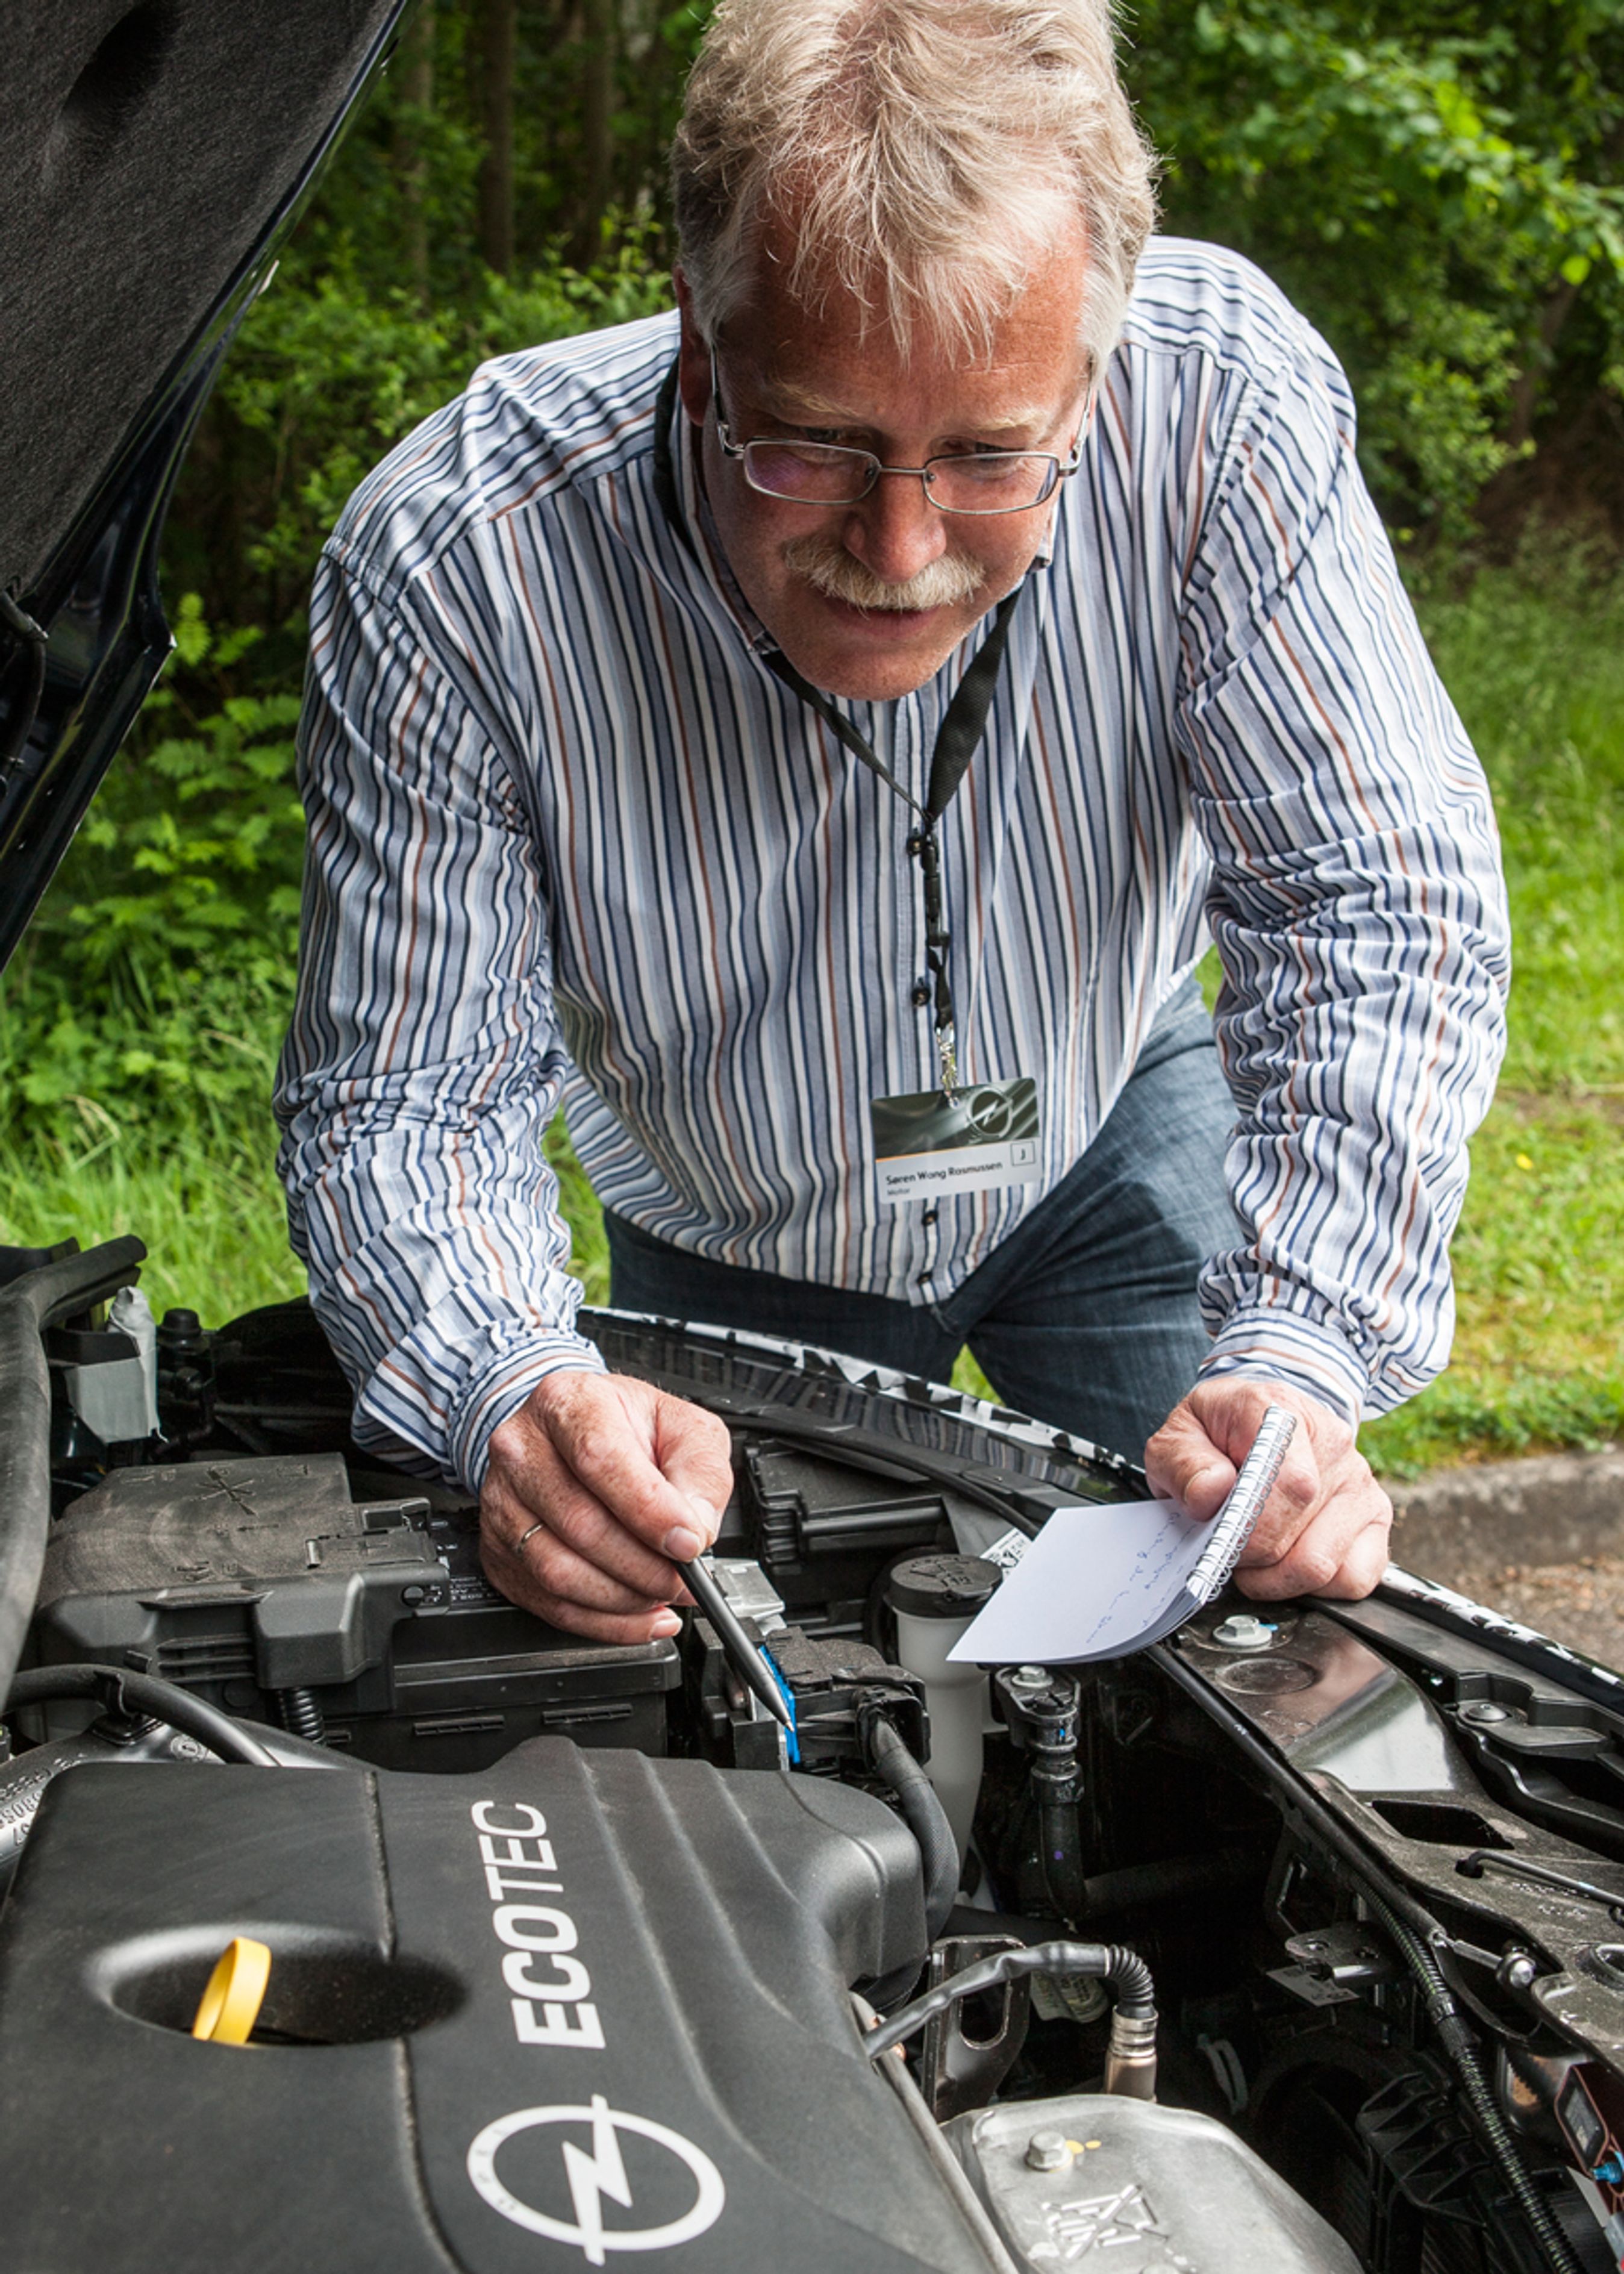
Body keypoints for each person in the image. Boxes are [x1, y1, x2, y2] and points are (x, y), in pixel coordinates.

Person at [275, 0, 1510, 1646]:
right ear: (703, 346)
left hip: (1107, 1124)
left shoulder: (1223, 409)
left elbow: (1372, 897)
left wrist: (1299, 1350)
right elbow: (407, 1097)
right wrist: (507, 1384)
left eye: (992, 456)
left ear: (1092, 382)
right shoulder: (461, 565)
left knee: (1242, 1637)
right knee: (756, 1717)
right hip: (736, 1217)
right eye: (821, 445)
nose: (902, 549)